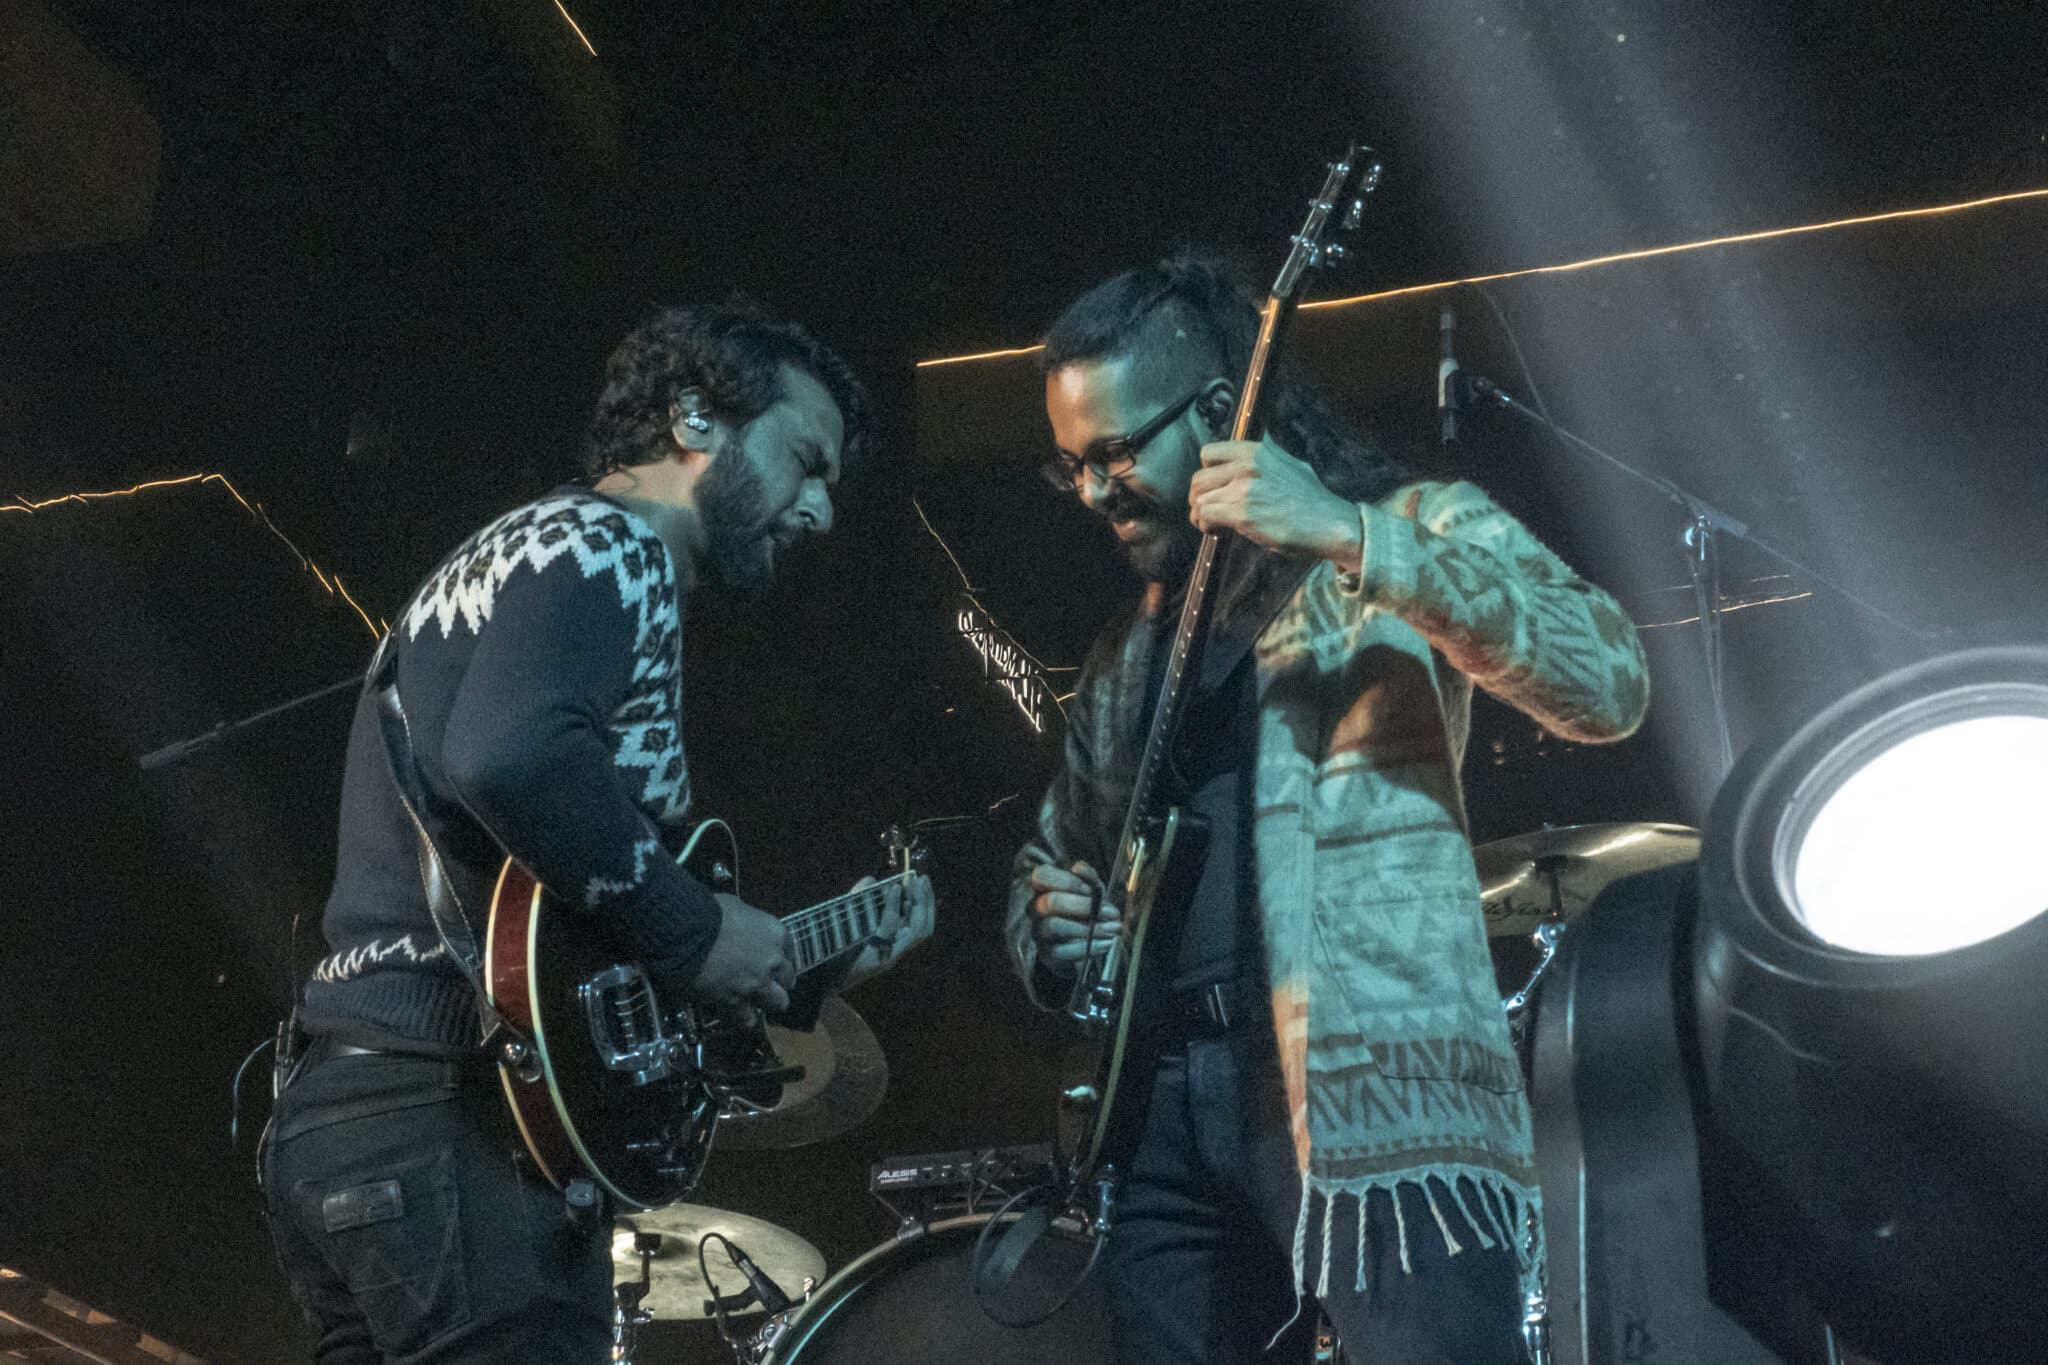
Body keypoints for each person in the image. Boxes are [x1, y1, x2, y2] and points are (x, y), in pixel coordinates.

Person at [262, 301, 935, 1363]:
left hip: (355, 1111)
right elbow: (511, 755)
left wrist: (803, 961)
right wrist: (693, 927)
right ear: (693, 419)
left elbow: (574, 937)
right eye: (806, 463)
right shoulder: (610, 545)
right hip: (457, 1118)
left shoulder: (530, 555)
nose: (819, 510)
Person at [1006, 257, 1649, 1364]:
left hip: (1374, 1093)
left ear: (1217, 412)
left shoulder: (1403, 525)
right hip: (1157, 1118)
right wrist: (1050, 924)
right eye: (1071, 466)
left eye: (1115, 452)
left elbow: (1608, 676)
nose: (1096, 491)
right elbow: (1052, 855)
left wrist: (1351, 534)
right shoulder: (1126, 652)